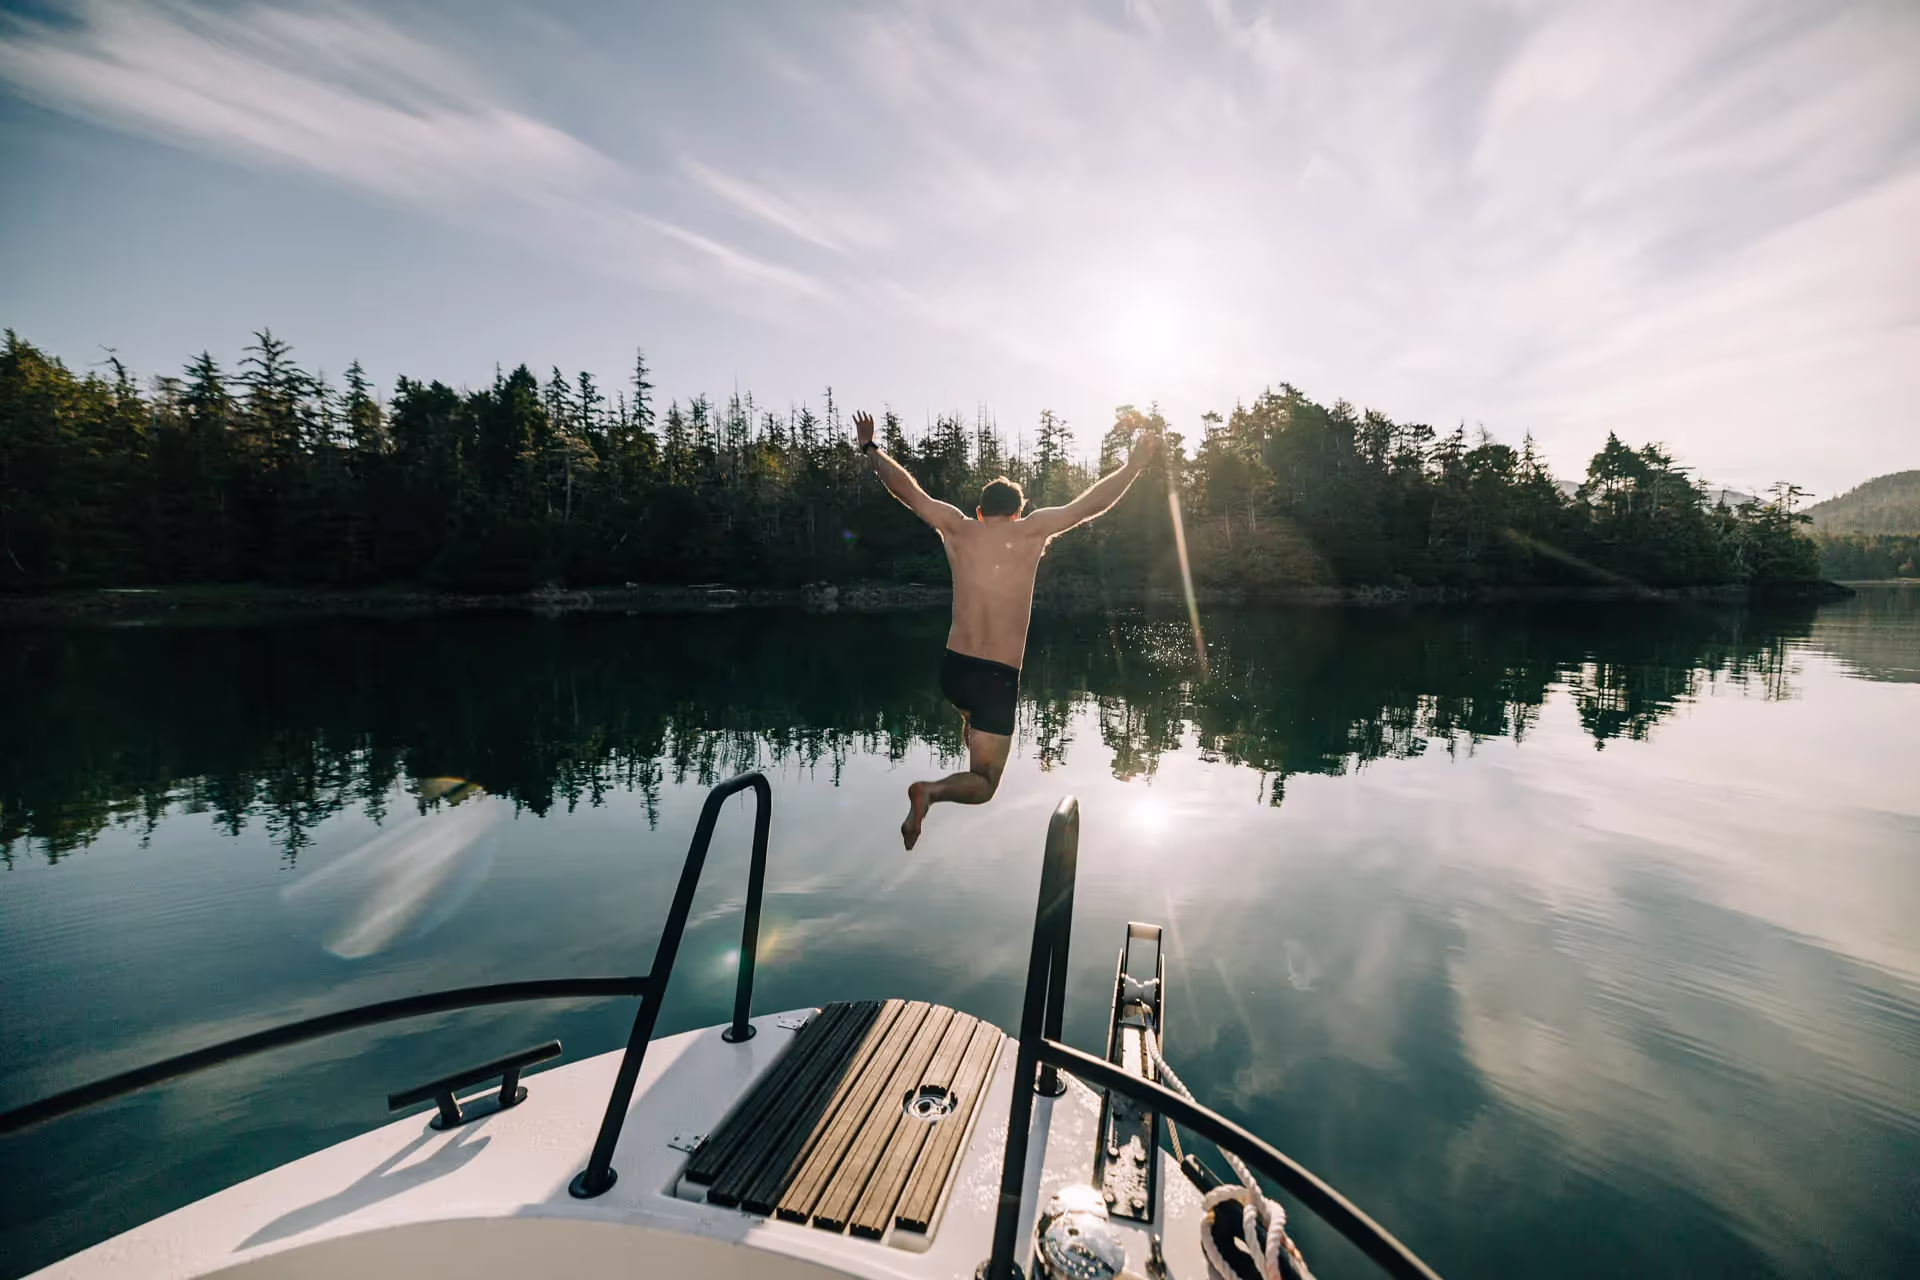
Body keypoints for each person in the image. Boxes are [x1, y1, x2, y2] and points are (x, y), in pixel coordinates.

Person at [853, 409, 1159, 848]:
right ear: (1019, 513)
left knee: (972, 716)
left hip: (953, 670)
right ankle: (932, 792)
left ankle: (968, 723)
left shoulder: (957, 528)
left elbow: (909, 492)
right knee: (986, 782)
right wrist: (1131, 468)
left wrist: (871, 447)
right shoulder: (1033, 532)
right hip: (996, 678)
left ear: (979, 512)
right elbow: (1090, 505)